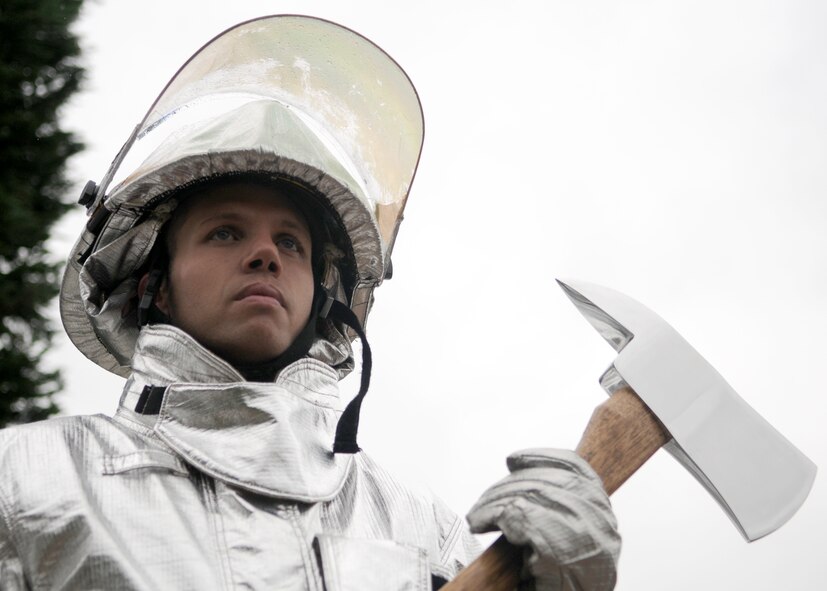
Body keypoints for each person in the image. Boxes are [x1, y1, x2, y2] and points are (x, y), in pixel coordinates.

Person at [0, 16, 620, 590]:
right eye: (225, 232)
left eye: (291, 244)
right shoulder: (28, 478)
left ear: (324, 297)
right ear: (153, 284)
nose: (265, 255)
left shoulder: (429, 533)